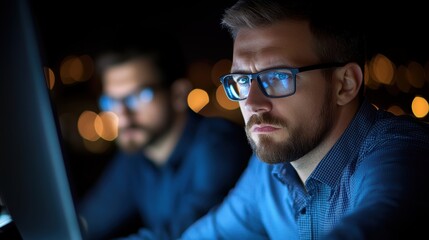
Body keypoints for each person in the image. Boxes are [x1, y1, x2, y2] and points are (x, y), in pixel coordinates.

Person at [181, 0, 429, 239]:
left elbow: (380, 222)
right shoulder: (269, 171)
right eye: (242, 81)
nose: (252, 104)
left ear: (345, 84)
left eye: (277, 77)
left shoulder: (404, 150)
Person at [76, 26, 252, 240]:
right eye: (111, 101)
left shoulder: (218, 144)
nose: (121, 114)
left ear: (178, 94)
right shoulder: (135, 156)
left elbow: (185, 234)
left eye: (139, 96)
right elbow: (88, 221)